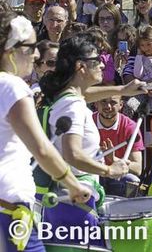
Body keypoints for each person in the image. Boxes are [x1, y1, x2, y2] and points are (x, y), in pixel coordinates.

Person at [38, 33, 143, 248]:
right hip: (75, 202)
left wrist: (122, 90)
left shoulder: (67, 97)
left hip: (67, 200)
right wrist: (109, 170)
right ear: (81, 67)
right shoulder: (72, 106)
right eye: (97, 61)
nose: (103, 65)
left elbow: (83, 96)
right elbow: (72, 154)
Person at [0, 13, 92, 252]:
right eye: (30, 48)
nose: (37, 54)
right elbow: (41, 148)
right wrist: (73, 185)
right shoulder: (12, 87)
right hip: (10, 210)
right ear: (11, 50)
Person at [92, 95, 144, 197]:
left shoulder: (130, 127)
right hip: (93, 172)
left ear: (121, 105)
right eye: (103, 101)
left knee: (132, 181)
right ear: (96, 104)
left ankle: (127, 212)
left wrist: (113, 159)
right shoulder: (87, 122)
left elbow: (138, 169)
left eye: (113, 102)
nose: (108, 106)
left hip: (117, 175)